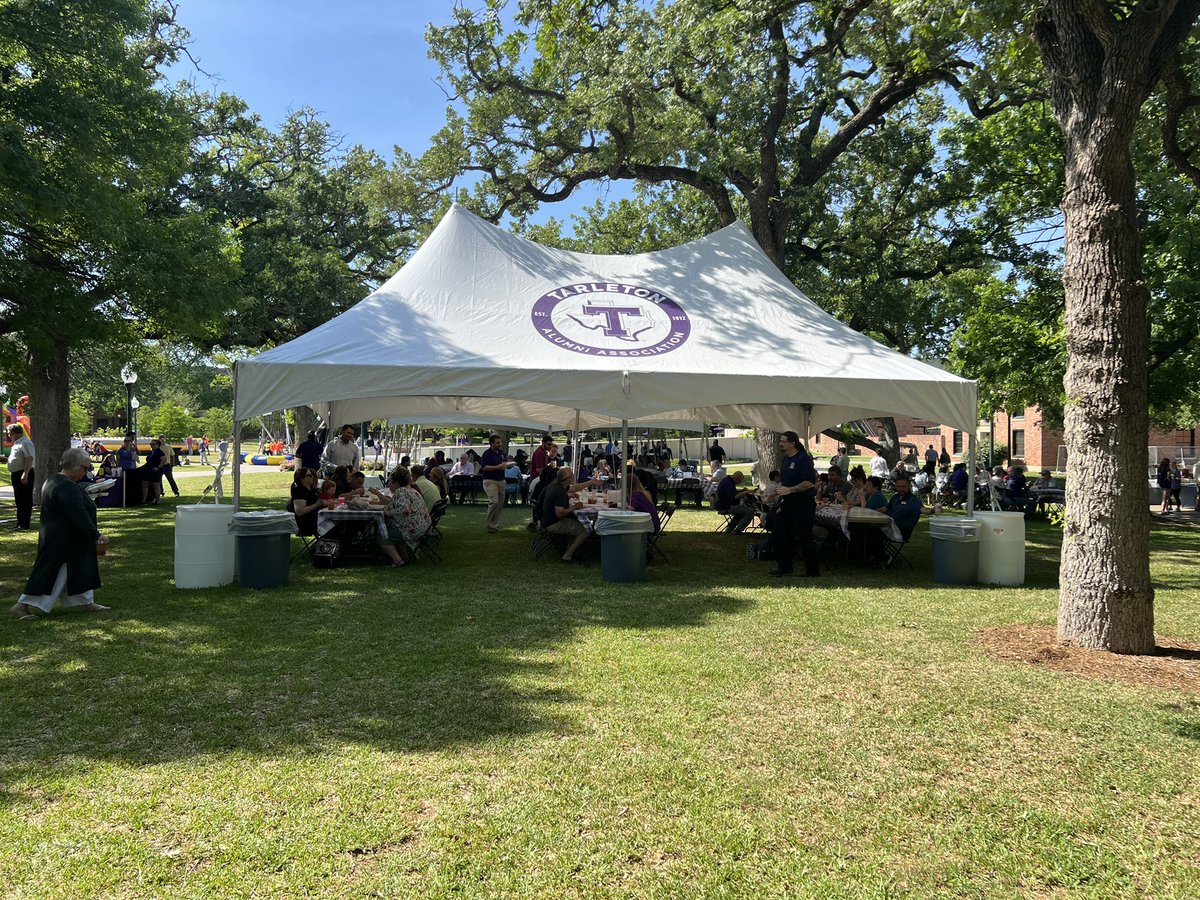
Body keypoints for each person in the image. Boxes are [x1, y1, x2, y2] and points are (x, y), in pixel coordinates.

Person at [10, 448, 109, 619]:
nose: (86, 472)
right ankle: (22, 605)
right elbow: (77, 513)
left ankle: (87, 602)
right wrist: (96, 534)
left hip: (64, 536)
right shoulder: (66, 486)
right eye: (85, 468)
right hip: (64, 539)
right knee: (52, 573)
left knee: (79, 568)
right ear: (76, 466)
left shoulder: (54, 480)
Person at [769, 431, 819, 578]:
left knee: (804, 536)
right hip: (787, 503)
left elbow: (809, 482)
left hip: (803, 503)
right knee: (779, 532)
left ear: (792, 443)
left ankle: (812, 570)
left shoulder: (803, 459)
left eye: (783, 441)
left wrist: (790, 490)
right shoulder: (785, 460)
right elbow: (786, 482)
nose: (780, 444)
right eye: (780, 441)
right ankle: (784, 567)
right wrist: (776, 492)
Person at [376, 468, 431, 567]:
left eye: (390, 482)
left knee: (382, 533)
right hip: (423, 527)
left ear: (396, 483)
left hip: (414, 529)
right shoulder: (411, 490)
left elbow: (403, 512)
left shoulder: (401, 492)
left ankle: (397, 560)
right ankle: (405, 557)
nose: (388, 485)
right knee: (391, 529)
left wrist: (388, 512)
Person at [540, 467, 592, 562]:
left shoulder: (555, 485)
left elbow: (574, 488)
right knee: (586, 529)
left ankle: (572, 548)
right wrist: (575, 507)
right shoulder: (560, 491)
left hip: (545, 521)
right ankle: (568, 554)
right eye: (572, 475)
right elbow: (560, 513)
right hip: (553, 524)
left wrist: (591, 482)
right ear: (568, 479)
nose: (573, 477)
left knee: (576, 521)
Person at [7, 423, 35, 529]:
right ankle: (20, 522)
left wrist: (25, 474)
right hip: (16, 473)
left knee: (25, 499)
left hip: (24, 473)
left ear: (14, 433)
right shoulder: (17, 443)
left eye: (9, 433)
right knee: (19, 499)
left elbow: (29, 458)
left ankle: (24, 524)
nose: (9, 435)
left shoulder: (25, 443)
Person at [290, 467, 332, 537]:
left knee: (340, 524)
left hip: (317, 520)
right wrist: (317, 504)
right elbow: (299, 512)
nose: (313, 477)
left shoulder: (310, 490)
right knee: (336, 526)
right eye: (309, 475)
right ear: (301, 478)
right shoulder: (300, 491)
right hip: (307, 524)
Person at [479, 433, 508, 533]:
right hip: (490, 480)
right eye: (497, 443)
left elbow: (504, 464)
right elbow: (484, 467)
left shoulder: (502, 453)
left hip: (501, 481)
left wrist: (508, 465)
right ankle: (490, 524)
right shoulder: (487, 454)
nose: (499, 444)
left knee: (499, 504)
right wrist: (497, 467)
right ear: (491, 443)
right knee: (494, 502)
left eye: (500, 442)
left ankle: (495, 525)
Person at [886, 474, 925, 539]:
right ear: (895, 486)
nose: (901, 489)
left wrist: (933, 510)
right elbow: (885, 509)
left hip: (899, 532)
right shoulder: (895, 497)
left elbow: (923, 509)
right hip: (889, 527)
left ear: (909, 485)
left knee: (871, 531)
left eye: (903, 486)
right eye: (899, 486)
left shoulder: (913, 500)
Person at [141, 439, 166, 504]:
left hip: (156, 472)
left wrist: (158, 467)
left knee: (156, 485)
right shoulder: (151, 452)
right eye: (151, 444)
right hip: (148, 470)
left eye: (153, 444)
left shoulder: (159, 452)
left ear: (158, 445)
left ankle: (157, 501)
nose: (151, 445)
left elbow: (164, 459)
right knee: (144, 484)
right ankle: (143, 501)